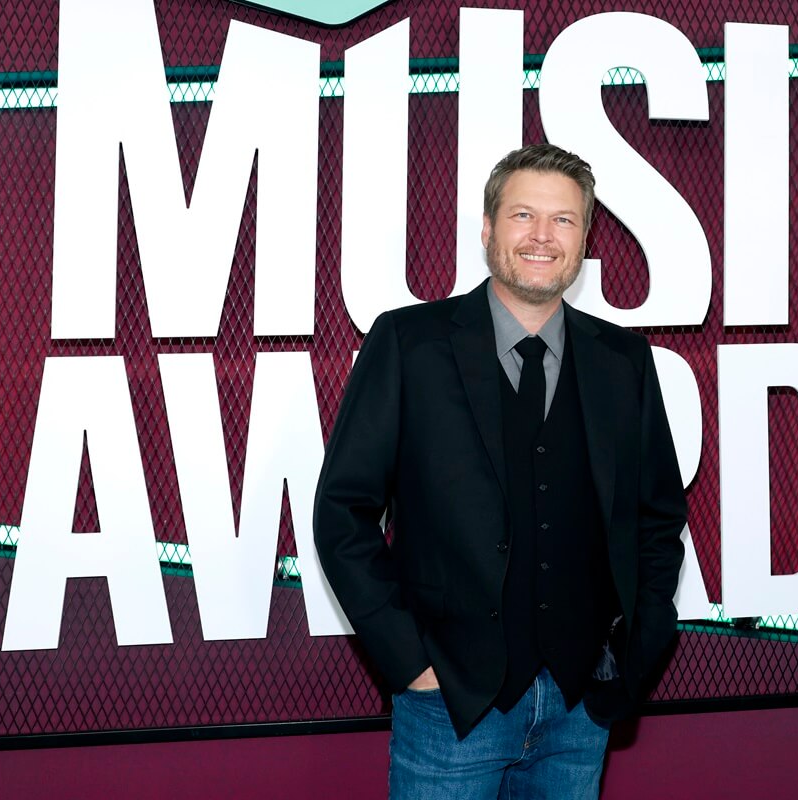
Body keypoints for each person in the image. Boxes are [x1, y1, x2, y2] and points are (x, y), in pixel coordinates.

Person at [314, 143, 687, 799]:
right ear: (487, 230)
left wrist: (640, 646)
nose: (542, 237)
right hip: (450, 707)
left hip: (581, 709)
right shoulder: (409, 344)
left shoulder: (623, 360)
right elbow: (342, 513)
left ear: (584, 240)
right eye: (523, 216)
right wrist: (412, 663)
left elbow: (657, 517)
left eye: (564, 221)